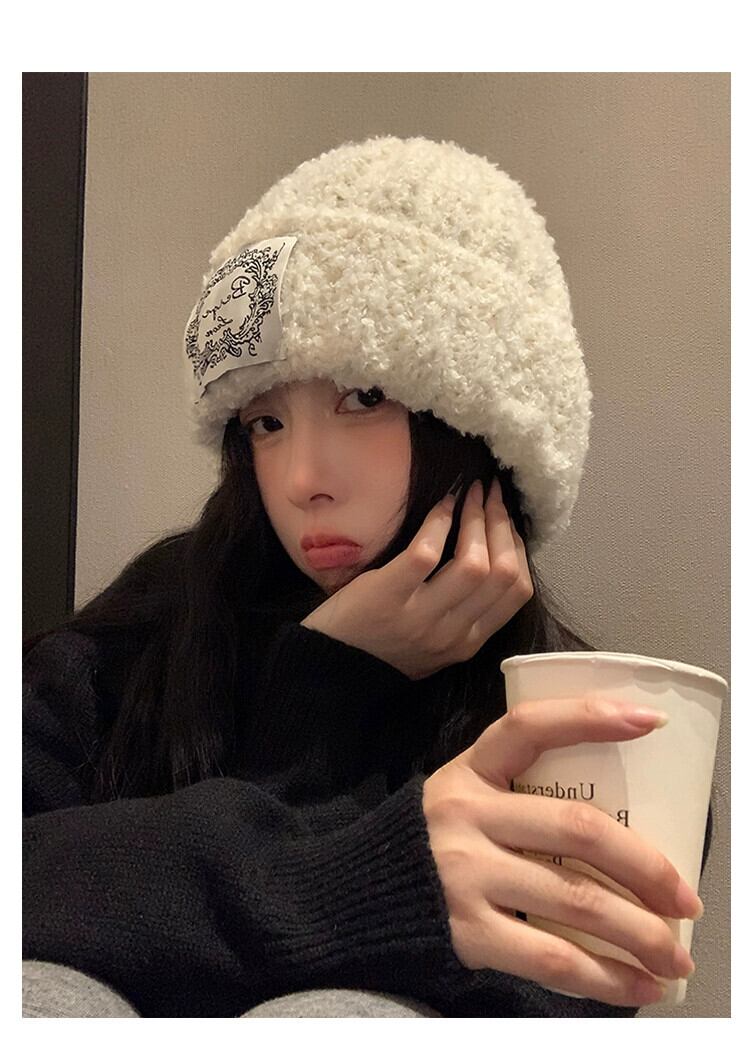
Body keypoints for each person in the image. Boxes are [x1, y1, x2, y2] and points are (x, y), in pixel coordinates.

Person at [22, 135, 706, 1019]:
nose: (303, 478)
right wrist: (331, 688)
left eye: (364, 398)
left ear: (489, 427)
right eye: (265, 422)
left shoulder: (583, 736)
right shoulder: (147, 631)